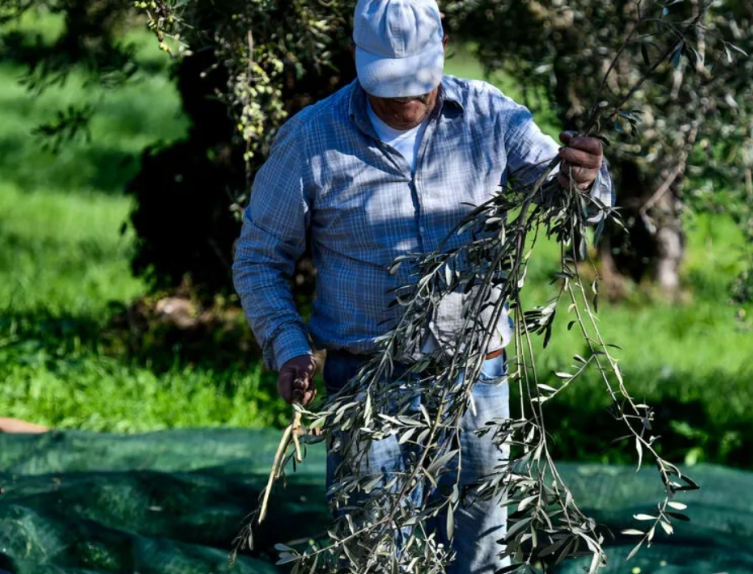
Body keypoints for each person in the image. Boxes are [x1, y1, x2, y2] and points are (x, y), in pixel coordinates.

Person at [232, 0, 613, 571]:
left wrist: (585, 180)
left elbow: (574, 206)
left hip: (475, 376)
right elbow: (260, 258)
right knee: (374, 553)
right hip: (367, 382)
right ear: (360, 64)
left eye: (418, 83)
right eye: (391, 86)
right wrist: (288, 347)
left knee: (479, 549)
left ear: (442, 52)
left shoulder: (490, 118)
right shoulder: (313, 140)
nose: (407, 101)